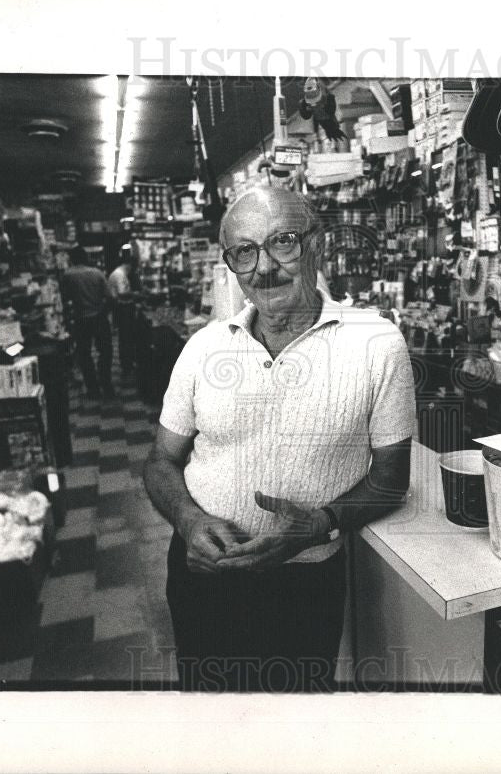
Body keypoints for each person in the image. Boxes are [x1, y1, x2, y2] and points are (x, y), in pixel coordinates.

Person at [144, 187, 415, 692]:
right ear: (232, 265)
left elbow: (391, 478)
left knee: (296, 726)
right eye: (244, 252)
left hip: (305, 582)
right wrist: (188, 519)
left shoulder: (376, 342)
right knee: (209, 718)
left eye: (282, 242)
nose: (263, 267)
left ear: (317, 245)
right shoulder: (204, 348)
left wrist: (319, 524)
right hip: (206, 575)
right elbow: (160, 460)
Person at [61, 246, 114, 400]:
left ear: (72, 259)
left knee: (84, 354)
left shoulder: (67, 275)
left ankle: (93, 388)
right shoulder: (97, 273)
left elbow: (64, 298)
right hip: (99, 317)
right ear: (86, 258)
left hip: (80, 319)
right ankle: (106, 383)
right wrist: (104, 311)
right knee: (105, 351)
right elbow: (109, 297)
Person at [108, 244, 138, 376]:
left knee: (126, 337)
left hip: (121, 308)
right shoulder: (120, 275)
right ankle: (127, 365)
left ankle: (127, 363)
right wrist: (136, 294)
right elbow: (122, 293)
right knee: (126, 337)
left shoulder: (118, 273)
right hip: (123, 308)